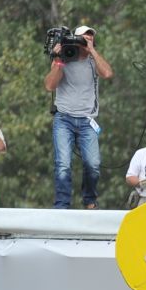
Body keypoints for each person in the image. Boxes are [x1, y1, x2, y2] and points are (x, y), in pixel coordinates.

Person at [45, 24, 114, 209]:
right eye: (83, 38)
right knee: (63, 165)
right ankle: (62, 205)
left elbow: (107, 73)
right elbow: (50, 86)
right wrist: (58, 59)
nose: (86, 40)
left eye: (90, 37)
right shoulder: (66, 57)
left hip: (87, 120)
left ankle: (90, 200)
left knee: (93, 165)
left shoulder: (93, 60)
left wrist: (92, 50)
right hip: (64, 118)